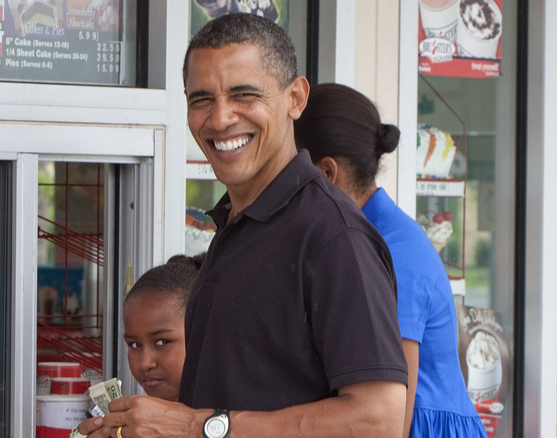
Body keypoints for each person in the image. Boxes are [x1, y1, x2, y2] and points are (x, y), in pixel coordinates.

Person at [94, 13, 408, 438]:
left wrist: (194, 426)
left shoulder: (333, 236)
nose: (221, 118)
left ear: (295, 98)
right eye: (201, 99)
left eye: (244, 94)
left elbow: (378, 420)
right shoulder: (235, 223)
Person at [294, 83, 486, 438]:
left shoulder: (392, 249)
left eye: (289, 175)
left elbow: (393, 416)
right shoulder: (367, 235)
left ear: (326, 174)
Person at [74, 254, 204, 436]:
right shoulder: (130, 424)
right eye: (134, 345)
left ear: (202, 335)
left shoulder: (238, 423)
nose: (144, 363)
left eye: (162, 342)